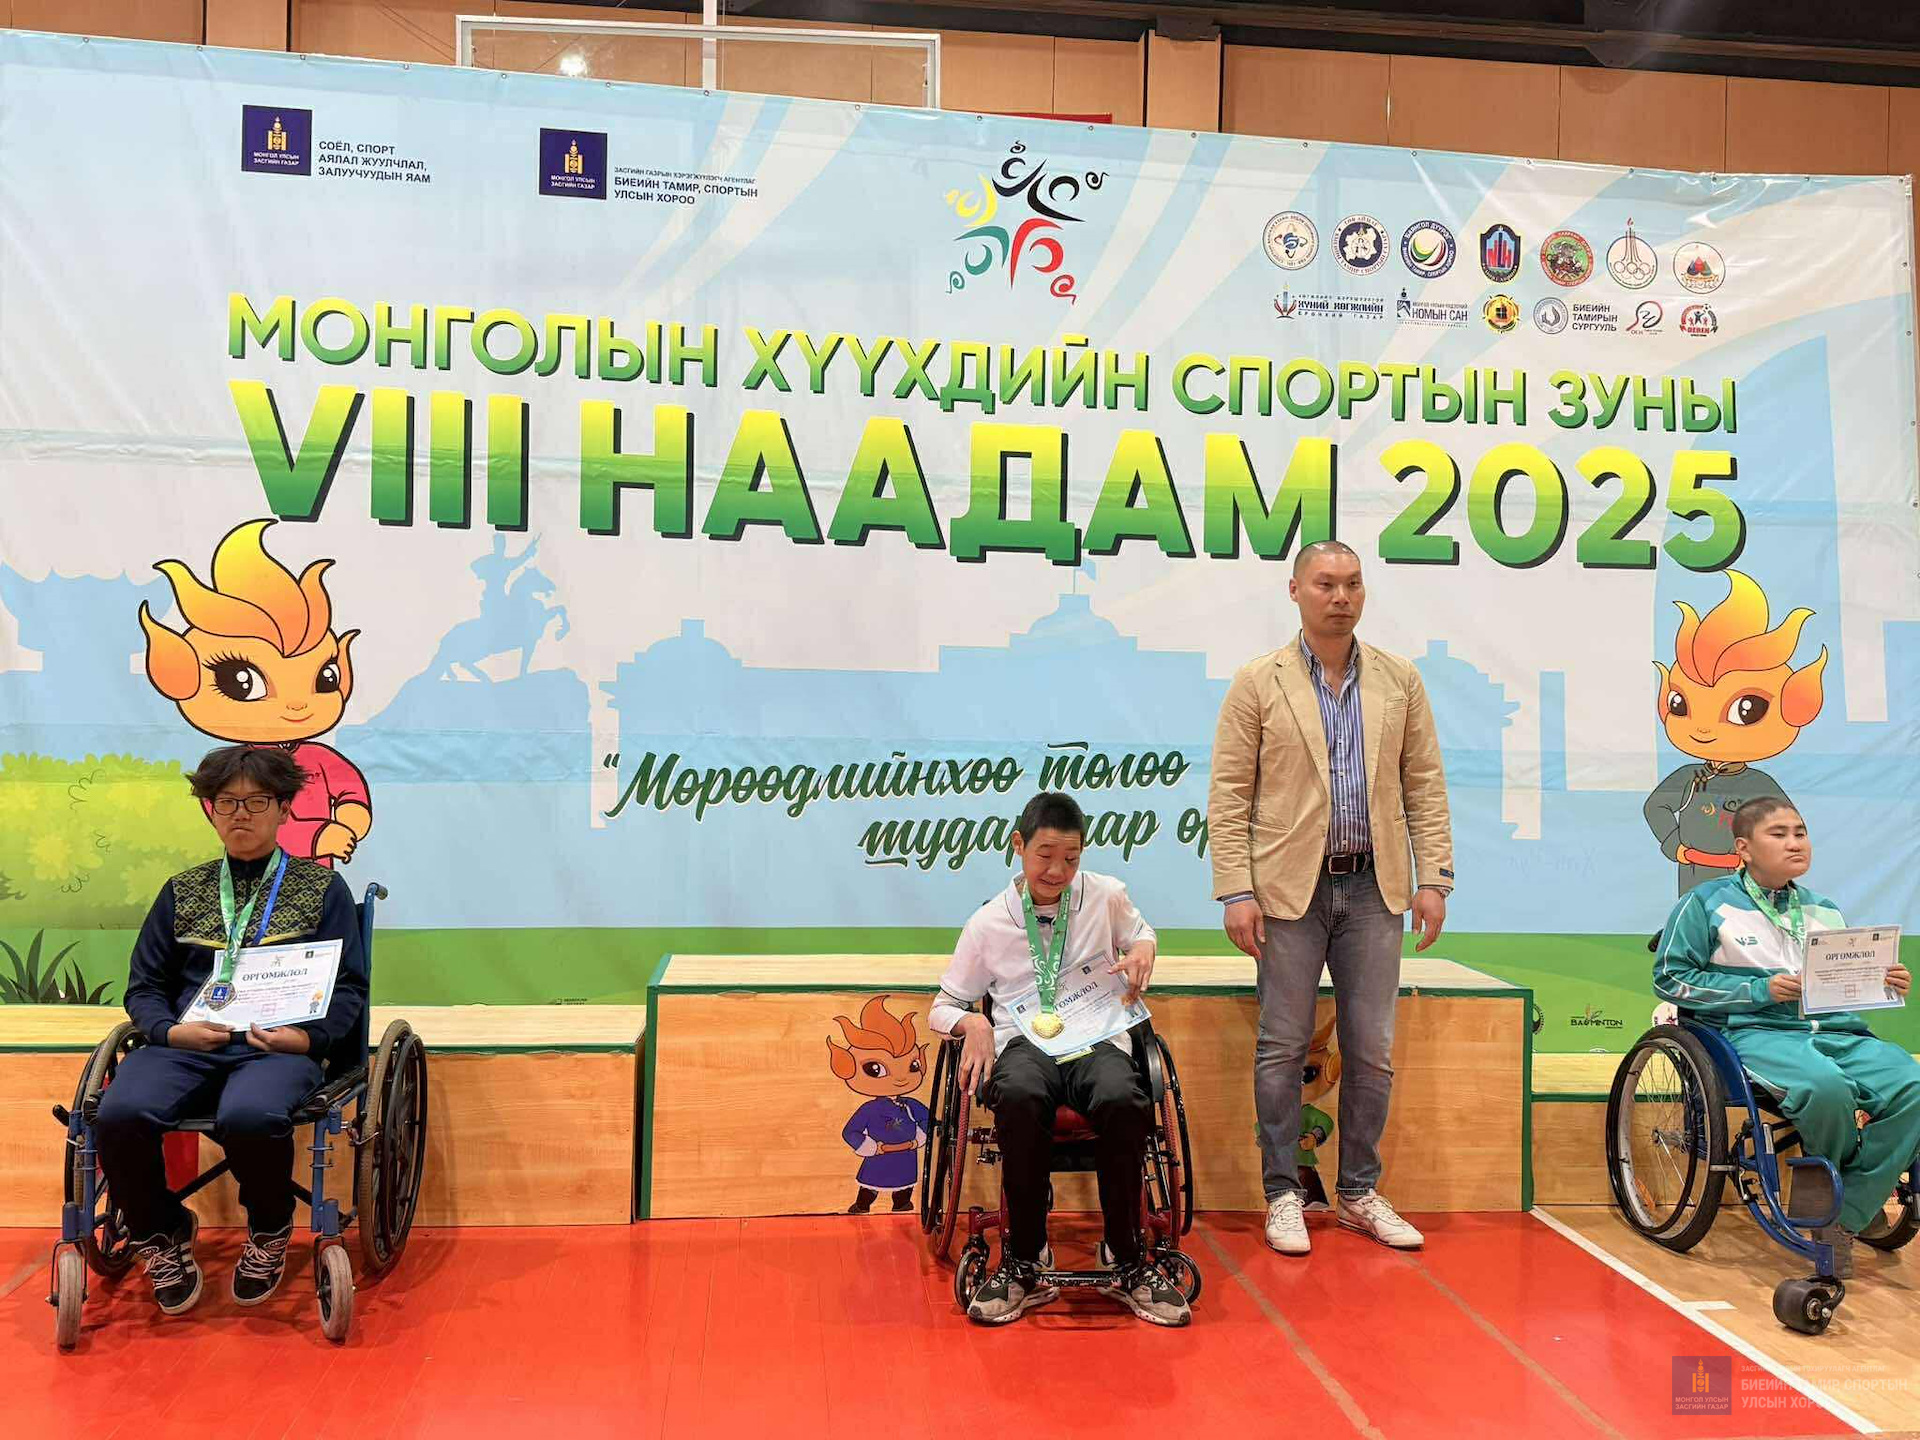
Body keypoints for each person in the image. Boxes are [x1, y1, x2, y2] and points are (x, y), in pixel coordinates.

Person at [1207, 540, 1454, 1257]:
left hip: (1376, 887)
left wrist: (1433, 878)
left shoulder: (1399, 679)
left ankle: (1358, 1192)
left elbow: (1424, 784)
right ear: (1295, 591)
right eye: (1325, 584)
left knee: (1371, 1050)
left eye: (1352, 584)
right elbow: (1229, 794)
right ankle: (1283, 1193)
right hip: (1289, 890)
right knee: (1282, 1046)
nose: (1340, 597)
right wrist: (1236, 889)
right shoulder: (1259, 681)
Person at [93, 744, 369, 1315]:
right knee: (117, 1113)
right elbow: (144, 987)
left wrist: (308, 1040)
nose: (241, 813)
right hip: (186, 1046)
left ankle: (269, 1229)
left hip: (276, 1049)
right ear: (210, 810)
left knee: (251, 1114)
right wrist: (169, 1032)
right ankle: (161, 1231)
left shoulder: (322, 890)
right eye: (226, 802)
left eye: (257, 801)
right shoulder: (183, 891)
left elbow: (348, 988)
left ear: (285, 808)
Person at [929, 791, 1189, 1327]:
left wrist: (1144, 950)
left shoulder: (1105, 896)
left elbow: (1141, 934)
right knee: (1019, 1095)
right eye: (1045, 855)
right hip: (1025, 1042)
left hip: (1096, 1038)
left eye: (1071, 858)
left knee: (1124, 1097)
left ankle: (1127, 1255)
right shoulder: (988, 923)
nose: (1057, 871)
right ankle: (1024, 1259)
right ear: (1018, 845)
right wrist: (973, 1023)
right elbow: (943, 1005)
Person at [1653, 796, 1918, 1274]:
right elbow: (1670, 979)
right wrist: (1759, 990)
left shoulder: (1824, 909)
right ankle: (1845, 1209)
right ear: (1744, 848)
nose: (1795, 843)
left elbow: (1837, 984)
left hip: (1836, 1032)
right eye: (1779, 834)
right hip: (1756, 1032)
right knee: (1824, 1089)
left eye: (1801, 833)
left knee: (1913, 1087)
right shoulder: (1705, 903)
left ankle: (1846, 1209)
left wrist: (1883, 981)